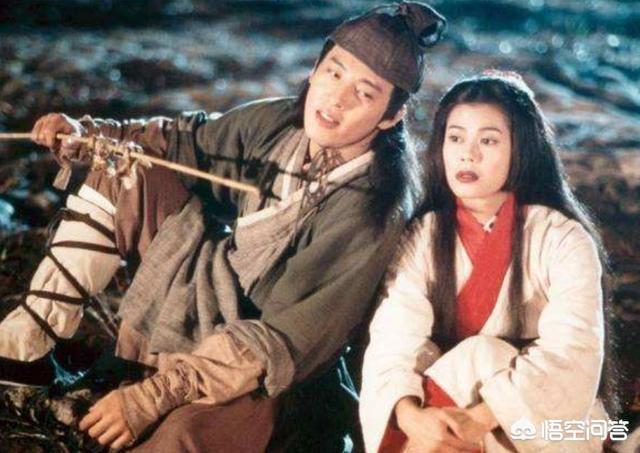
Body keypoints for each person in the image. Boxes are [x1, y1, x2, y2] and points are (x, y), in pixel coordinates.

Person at [0, 2, 447, 451]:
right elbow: (179, 140)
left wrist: (152, 397)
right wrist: (91, 134)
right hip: (218, 293)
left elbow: (284, 342)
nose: (337, 99)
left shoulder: (373, 210)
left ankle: (164, 381)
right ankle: (26, 346)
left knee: (178, 436)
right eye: (334, 72)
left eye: (364, 94)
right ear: (314, 70)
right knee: (125, 167)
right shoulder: (278, 124)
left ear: (391, 116)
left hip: (276, 370)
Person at [359, 71, 611, 453]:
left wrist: (479, 418)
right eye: (456, 137)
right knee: (454, 371)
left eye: (488, 140)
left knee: (480, 356)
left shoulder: (562, 239)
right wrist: (410, 415)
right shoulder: (423, 236)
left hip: (550, 428)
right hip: (441, 413)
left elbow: (572, 353)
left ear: (521, 149)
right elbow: (394, 338)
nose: (468, 154)